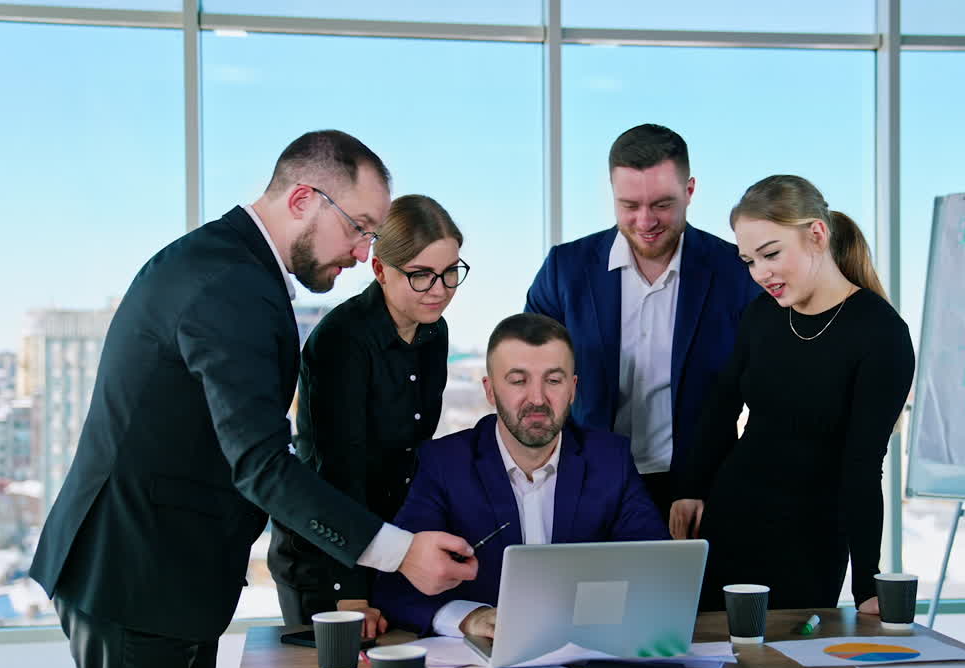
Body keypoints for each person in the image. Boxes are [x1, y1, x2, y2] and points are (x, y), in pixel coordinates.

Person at [28, 131, 478, 668]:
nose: (362, 252)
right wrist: (398, 553)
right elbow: (262, 463)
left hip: (167, 575)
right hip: (136, 573)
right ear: (303, 200)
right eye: (359, 228)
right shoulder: (231, 284)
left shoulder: (233, 268)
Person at [673, 174, 914, 613]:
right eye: (749, 261)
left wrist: (867, 585)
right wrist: (692, 488)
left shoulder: (881, 334)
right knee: (710, 649)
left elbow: (862, 467)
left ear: (816, 235)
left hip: (810, 540)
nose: (760, 273)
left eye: (770, 254)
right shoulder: (761, 314)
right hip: (730, 518)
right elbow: (722, 405)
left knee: (787, 654)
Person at [372, 313, 669, 638]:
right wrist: (469, 618)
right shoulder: (443, 464)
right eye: (518, 381)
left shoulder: (611, 460)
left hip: (590, 651)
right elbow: (395, 586)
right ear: (490, 390)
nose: (537, 399)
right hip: (483, 663)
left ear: (572, 389)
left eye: (553, 380)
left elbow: (659, 574)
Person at [525, 123, 760, 524]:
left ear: (690, 191)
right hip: (586, 486)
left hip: (702, 492)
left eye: (662, 205)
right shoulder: (564, 270)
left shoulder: (736, 273)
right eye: (629, 205)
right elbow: (529, 377)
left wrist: (716, 484)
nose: (645, 221)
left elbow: (767, 398)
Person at [268, 194, 470, 637]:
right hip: (328, 557)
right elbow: (339, 474)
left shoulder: (434, 331)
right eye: (420, 275)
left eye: (450, 272)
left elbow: (414, 453)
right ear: (380, 270)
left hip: (391, 547)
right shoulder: (342, 339)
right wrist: (351, 594)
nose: (439, 290)